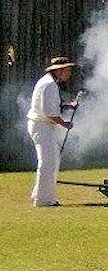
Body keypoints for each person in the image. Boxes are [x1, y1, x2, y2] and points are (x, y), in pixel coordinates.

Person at [26, 56, 78, 207]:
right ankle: (43, 200)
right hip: (42, 126)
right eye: (67, 70)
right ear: (59, 70)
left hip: (41, 125)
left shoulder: (48, 83)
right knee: (47, 162)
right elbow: (49, 112)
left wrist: (68, 106)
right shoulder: (50, 85)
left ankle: (39, 193)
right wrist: (65, 123)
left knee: (51, 160)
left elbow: (53, 105)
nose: (69, 73)